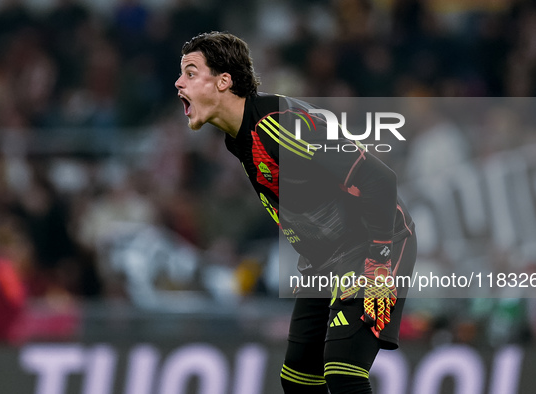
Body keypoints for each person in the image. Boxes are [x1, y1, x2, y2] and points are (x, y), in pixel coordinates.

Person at [175, 31, 416, 394]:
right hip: (325, 261)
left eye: (191, 73)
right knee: (299, 379)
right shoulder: (239, 139)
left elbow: (380, 179)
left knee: (343, 372)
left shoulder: (280, 124)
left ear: (224, 81)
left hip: (373, 245)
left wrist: (379, 265)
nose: (179, 83)